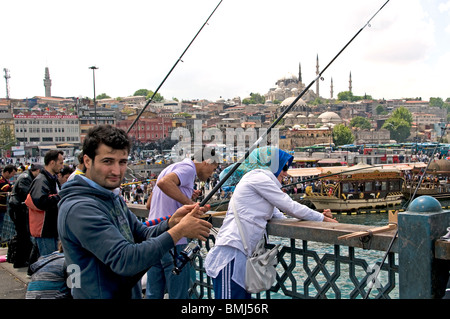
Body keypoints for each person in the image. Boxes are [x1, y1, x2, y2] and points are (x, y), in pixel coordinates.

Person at [57, 125, 212, 299]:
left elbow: (141, 233)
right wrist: (179, 231)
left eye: (122, 162)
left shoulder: (110, 197)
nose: (116, 171)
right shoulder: (80, 208)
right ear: (87, 161)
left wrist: (171, 223)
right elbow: (125, 260)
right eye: (107, 161)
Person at [204, 146, 338, 299]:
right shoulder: (258, 178)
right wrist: (322, 219)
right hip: (231, 256)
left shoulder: (261, 181)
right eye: (284, 166)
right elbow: (290, 206)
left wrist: (318, 215)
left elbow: (281, 217)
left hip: (242, 258)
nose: (286, 172)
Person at [145, 145, 219, 299]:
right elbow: (164, 183)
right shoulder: (189, 169)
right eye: (213, 168)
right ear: (206, 161)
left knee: (153, 293)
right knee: (178, 294)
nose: (212, 173)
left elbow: (149, 204)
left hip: (153, 237)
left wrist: (186, 194)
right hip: (173, 240)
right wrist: (192, 206)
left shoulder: (171, 167)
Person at [27, 150, 64, 257]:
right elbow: (41, 202)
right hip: (44, 229)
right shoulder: (41, 180)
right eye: (60, 163)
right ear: (52, 162)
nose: (62, 166)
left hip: (51, 227)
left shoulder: (52, 179)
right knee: (49, 260)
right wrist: (60, 196)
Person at [8, 164, 42, 268]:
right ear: (36, 170)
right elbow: (28, 193)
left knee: (23, 235)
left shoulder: (26, 177)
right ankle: (19, 260)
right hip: (18, 209)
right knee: (22, 235)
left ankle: (22, 259)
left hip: (19, 208)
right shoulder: (25, 178)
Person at [0, 165, 17, 240]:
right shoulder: (1, 180)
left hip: (3, 208)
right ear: (7, 172)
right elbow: (7, 188)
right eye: (12, 174)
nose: (12, 176)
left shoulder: (5, 180)